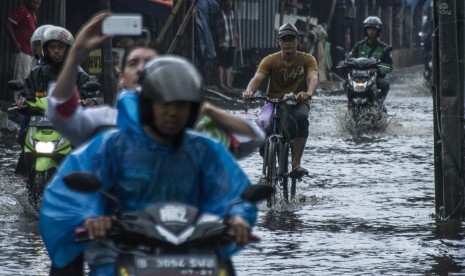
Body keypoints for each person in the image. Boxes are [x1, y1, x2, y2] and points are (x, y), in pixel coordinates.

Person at [39, 55, 258, 275]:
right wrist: (91, 218)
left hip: (196, 256)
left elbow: (233, 192)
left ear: (193, 109)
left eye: (182, 105)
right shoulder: (112, 146)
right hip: (119, 251)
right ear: (147, 104)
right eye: (165, 104)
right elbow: (70, 194)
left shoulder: (206, 149)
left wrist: (238, 217)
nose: (173, 113)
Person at [47, 12, 264, 156]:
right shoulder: (105, 122)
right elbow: (60, 113)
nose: (142, 68)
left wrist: (206, 109)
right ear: (121, 78)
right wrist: (75, 55)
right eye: (134, 63)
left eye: (150, 63)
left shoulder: (187, 121)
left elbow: (254, 135)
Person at [242, 22, 318, 176]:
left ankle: (296, 164)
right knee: (262, 125)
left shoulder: (307, 59)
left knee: (302, 118)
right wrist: (249, 91)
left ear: (298, 41)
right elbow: (257, 78)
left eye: (291, 39)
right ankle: (268, 163)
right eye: (284, 39)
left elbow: (313, 77)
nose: (287, 43)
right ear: (279, 42)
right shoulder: (270, 60)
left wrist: (308, 93)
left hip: (297, 102)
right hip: (273, 102)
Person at [347, 16, 393, 103]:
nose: (371, 32)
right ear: (365, 30)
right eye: (369, 29)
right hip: (358, 77)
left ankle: (379, 103)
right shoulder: (358, 46)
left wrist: (377, 69)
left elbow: (389, 67)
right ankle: (350, 103)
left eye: (374, 29)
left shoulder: (384, 48)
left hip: (374, 78)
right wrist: (345, 63)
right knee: (346, 83)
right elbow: (350, 59)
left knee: (385, 85)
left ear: (378, 31)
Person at [4, 0, 41, 97]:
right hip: (22, 50)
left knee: (29, 79)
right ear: (28, 1)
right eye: (34, 2)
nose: (36, 5)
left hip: (31, 52)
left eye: (38, 3)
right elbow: (7, 24)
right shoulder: (22, 10)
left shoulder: (33, 14)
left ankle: (24, 104)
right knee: (20, 79)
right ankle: (17, 105)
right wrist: (15, 42)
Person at [216, 0, 238, 91]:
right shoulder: (221, 13)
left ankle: (228, 83)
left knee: (229, 63)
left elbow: (233, 27)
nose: (229, 3)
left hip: (231, 41)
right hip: (224, 42)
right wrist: (222, 43)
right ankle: (221, 84)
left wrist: (236, 40)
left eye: (231, 2)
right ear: (224, 3)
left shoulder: (232, 13)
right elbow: (218, 29)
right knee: (221, 62)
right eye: (227, 2)